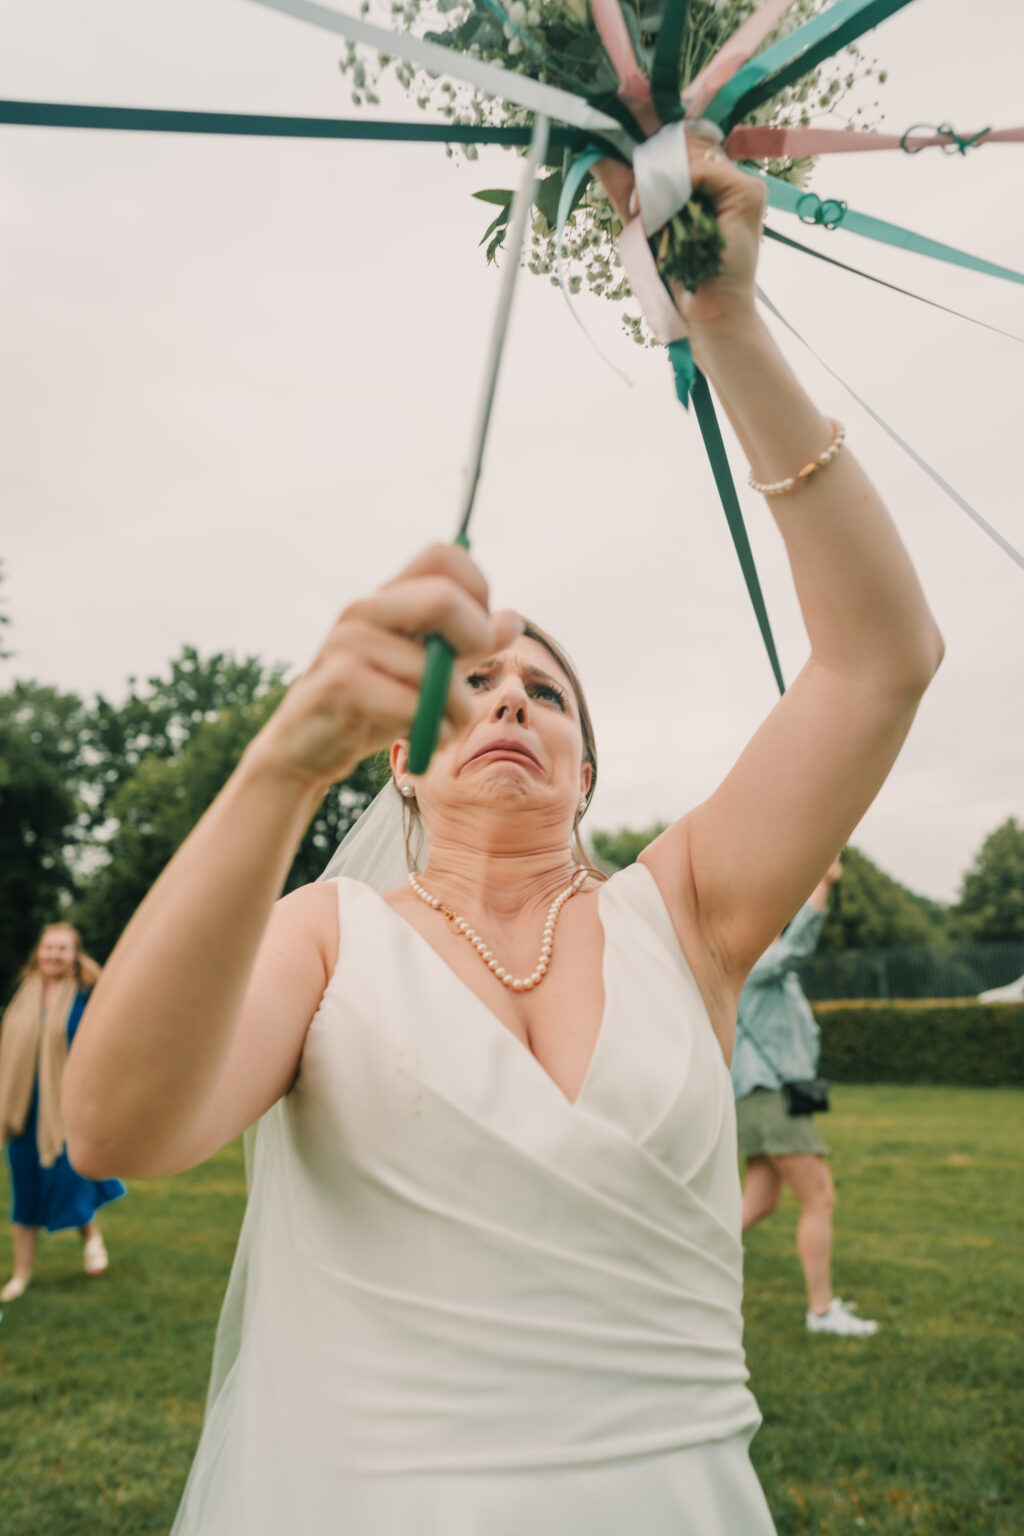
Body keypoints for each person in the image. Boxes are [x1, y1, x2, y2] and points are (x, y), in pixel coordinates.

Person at [61, 138, 942, 1534]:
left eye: (547, 691)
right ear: (400, 767)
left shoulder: (690, 911)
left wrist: (726, 326)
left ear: (585, 769)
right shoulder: (325, 937)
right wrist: (279, 767)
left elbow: (879, 660)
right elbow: (111, 1122)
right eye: (474, 684)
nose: (512, 697)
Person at [732, 861, 877, 1337]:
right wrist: (822, 883)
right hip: (768, 1097)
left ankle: (674, 1266)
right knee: (820, 1196)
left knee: (758, 1201)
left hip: (771, 1097)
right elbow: (796, 949)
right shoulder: (753, 963)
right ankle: (821, 1312)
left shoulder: (768, 970)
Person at [0, 923, 125, 1301]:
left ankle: (90, 1236)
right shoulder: (23, 993)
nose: (53, 954)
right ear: (39, 951)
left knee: (70, 1177)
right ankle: (21, 1275)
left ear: (74, 954)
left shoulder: (87, 993)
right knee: (25, 1189)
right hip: (22, 1107)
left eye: (62, 948)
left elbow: (103, 1043)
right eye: (48, 947)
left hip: (68, 1105)